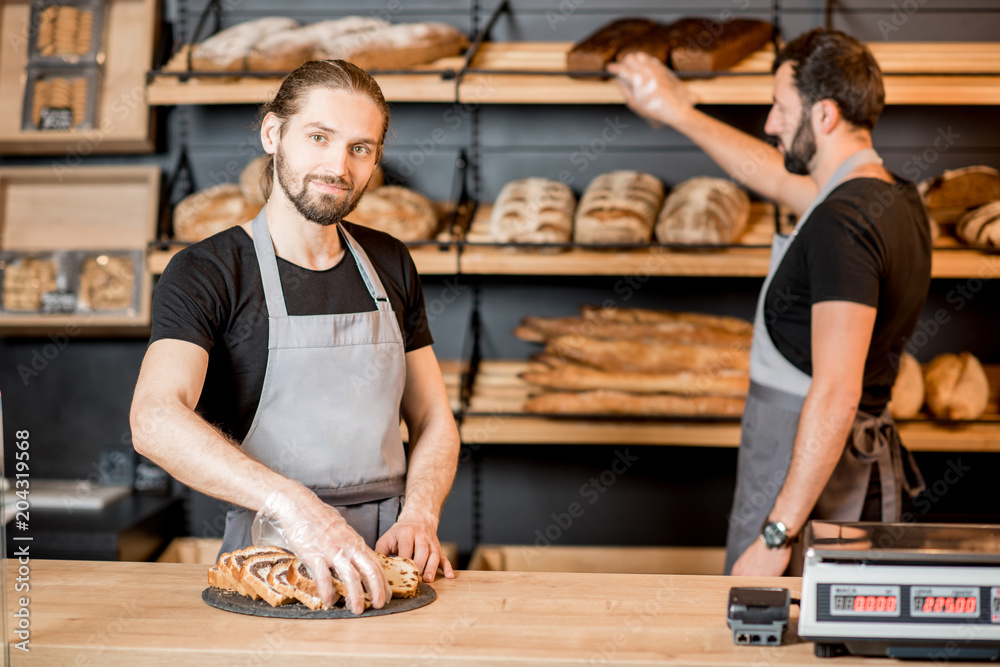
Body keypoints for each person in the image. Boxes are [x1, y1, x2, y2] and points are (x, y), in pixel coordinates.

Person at [130, 60, 460, 613]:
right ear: (272, 133)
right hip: (273, 558)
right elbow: (155, 420)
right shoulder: (208, 271)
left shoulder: (390, 262)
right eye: (318, 137)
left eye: (360, 148)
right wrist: (295, 506)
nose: (338, 165)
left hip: (390, 554)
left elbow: (434, 420)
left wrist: (420, 515)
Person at [609, 28, 929, 575]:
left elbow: (835, 393)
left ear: (824, 116)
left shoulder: (840, 224)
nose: (770, 123)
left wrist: (777, 536)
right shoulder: (890, 196)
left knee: (780, 645)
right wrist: (676, 109)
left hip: (810, 477)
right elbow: (772, 174)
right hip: (839, 468)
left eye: (781, 108)